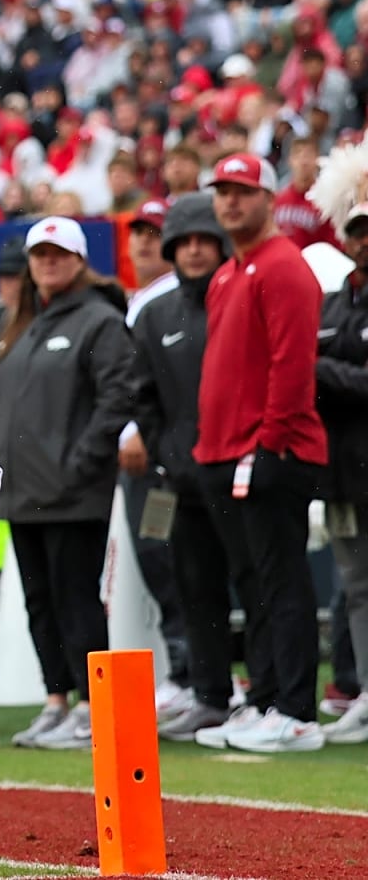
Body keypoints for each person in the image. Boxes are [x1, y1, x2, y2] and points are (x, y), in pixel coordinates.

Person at [0, 216, 139, 750]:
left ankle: (96, 708)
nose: (48, 261)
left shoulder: (99, 320)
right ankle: (57, 700)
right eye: (40, 254)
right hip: (22, 493)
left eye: (58, 253)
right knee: (38, 602)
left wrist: (82, 463)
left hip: (73, 494)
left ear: (78, 258)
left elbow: (119, 396)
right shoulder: (13, 323)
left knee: (77, 601)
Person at [192, 153, 328, 754]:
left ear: (268, 198)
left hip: (271, 449)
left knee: (283, 579)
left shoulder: (284, 267)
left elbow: (293, 366)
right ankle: (268, 697)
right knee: (253, 585)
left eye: (242, 191)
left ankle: (297, 711)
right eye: (222, 191)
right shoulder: (228, 274)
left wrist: (270, 443)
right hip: (225, 451)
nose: (230, 202)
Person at [132, 193, 245, 742]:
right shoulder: (154, 315)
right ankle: (210, 695)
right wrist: (169, 457)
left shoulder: (242, 300)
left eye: (206, 240)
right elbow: (143, 397)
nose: (196, 251)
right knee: (195, 590)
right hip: (182, 481)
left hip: (245, 475)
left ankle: (268, 696)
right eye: (186, 242)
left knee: (258, 587)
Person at [116, 198, 194, 717]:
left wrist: (140, 430)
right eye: (137, 231)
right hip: (146, 453)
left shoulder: (170, 299)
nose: (144, 240)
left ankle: (192, 674)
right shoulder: (142, 300)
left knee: (168, 559)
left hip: (161, 458)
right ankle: (188, 673)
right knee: (157, 560)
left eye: (154, 231)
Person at [316, 204, 368, 745]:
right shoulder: (331, 303)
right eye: (357, 230)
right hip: (344, 472)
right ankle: (364, 693)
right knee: (356, 586)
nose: (364, 240)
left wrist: (322, 369)